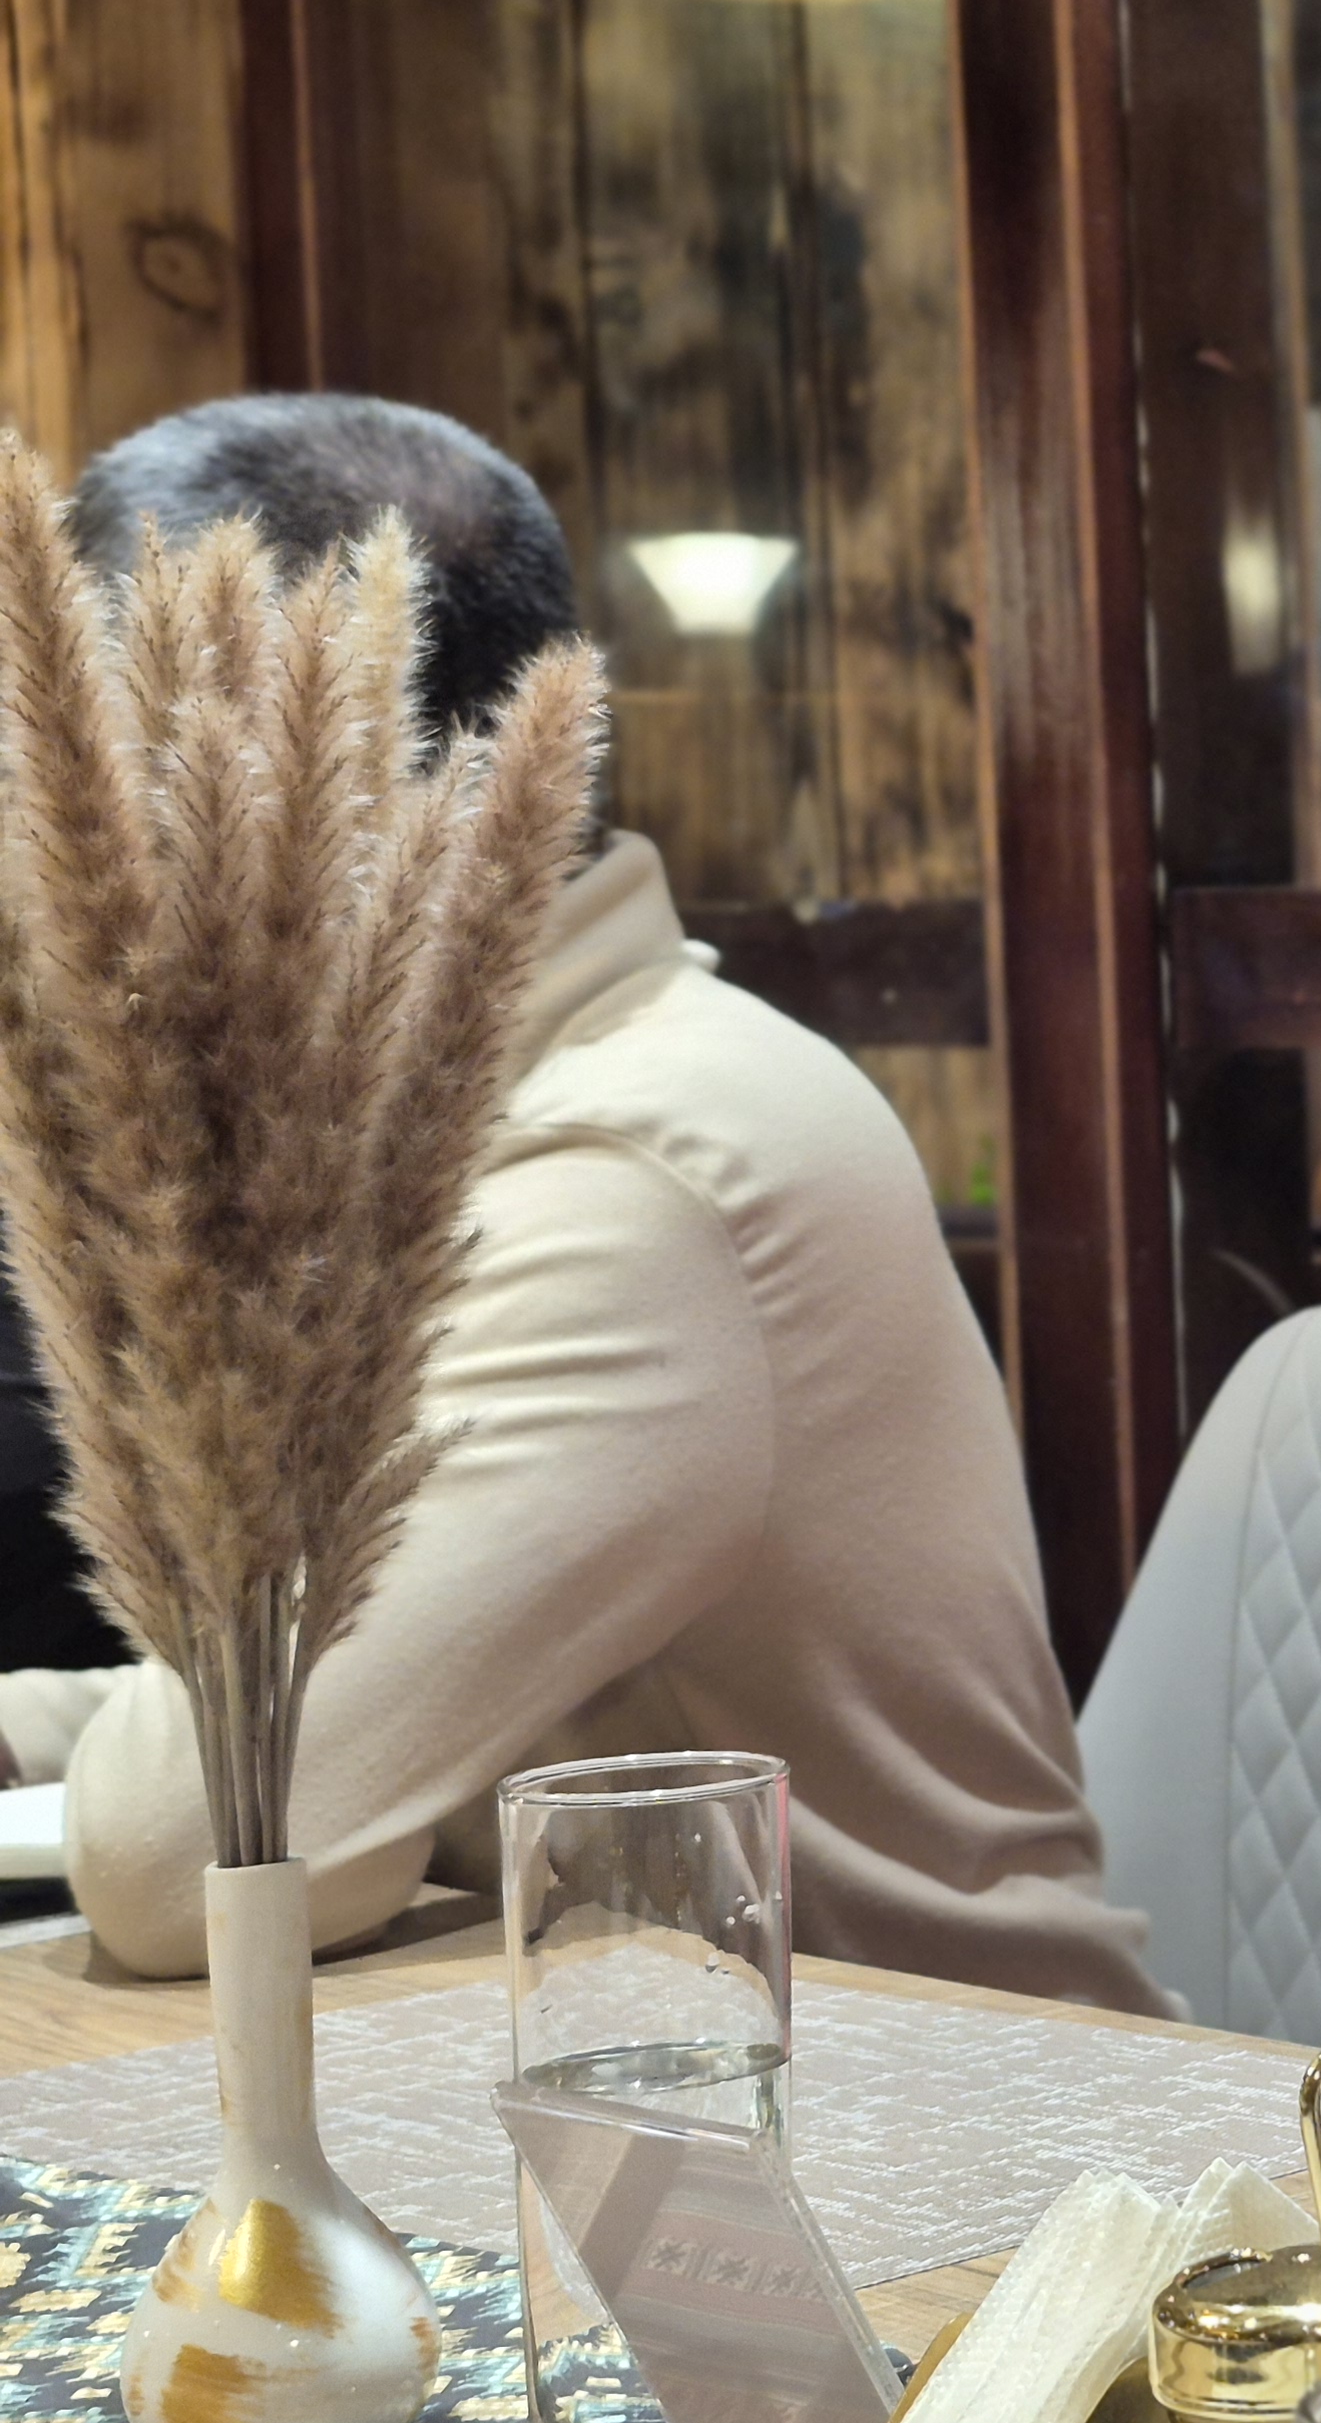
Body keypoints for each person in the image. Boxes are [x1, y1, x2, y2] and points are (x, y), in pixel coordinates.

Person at [0, 395, 1161, 2011]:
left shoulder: (631, 1171)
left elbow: (191, 1852)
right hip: (628, 2059)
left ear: (252, 773)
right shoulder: (501, 1110)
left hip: (914, 2105)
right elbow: (272, 1717)